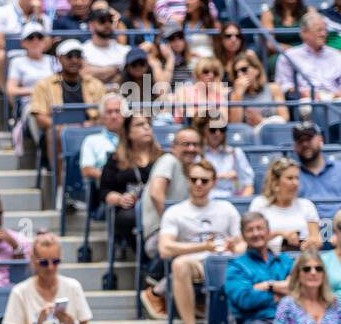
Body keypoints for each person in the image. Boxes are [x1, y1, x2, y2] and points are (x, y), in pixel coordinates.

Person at [148, 159, 244, 324]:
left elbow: (241, 243)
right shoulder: (175, 212)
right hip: (196, 264)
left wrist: (234, 249)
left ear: (214, 182)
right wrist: (203, 248)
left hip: (225, 262)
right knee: (179, 265)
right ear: (188, 181)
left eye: (204, 180)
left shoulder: (226, 209)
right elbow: (165, 248)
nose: (199, 184)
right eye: (194, 180)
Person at [3, 233, 92, 324]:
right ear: (33, 260)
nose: (50, 267)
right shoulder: (20, 291)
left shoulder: (73, 287)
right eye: (44, 263)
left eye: (55, 261)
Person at [27, 40, 106, 175]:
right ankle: (60, 185)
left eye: (78, 56)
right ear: (59, 59)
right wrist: (63, 127)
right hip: (61, 129)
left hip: (90, 127)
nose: (74, 60)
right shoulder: (44, 85)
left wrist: (91, 123)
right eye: (69, 56)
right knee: (55, 133)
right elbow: (40, 117)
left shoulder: (95, 84)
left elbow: (104, 113)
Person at [100, 111, 164, 252]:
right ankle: (144, 261)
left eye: (148, 124)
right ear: (128, 132)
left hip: (157, 206)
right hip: (132, 208)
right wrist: (119, 199)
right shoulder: (116, 159)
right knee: (127, 218)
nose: (147, 127)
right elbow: (104, 190)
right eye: (140, 125)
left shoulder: (163, 157)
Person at [140, 126, 202, 264]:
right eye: (186, 144)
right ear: (174, 147)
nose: (191, 149)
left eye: (195, 145)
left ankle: (158, 285)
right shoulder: (169, 160)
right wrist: (175, 224)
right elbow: (156, 194)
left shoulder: (194, 172)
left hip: (183, 234)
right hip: (159, 234)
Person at [0, 0, 52, 97]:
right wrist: (31, 45)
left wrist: (38, 19)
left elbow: (47, 45)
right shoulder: (3, 12)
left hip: (35, 57)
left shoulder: (44, 19)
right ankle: (9, 98)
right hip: (11, 58)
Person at [274, 13, 341, 103]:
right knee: (307, 104)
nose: (323, 34)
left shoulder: (336, 55)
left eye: (325, 30)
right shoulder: (289, 56)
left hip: (334, 97)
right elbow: (284, 85)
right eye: (319, 30)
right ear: (304, 32)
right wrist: (302, 93)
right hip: (306, 99)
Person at [250, 156, 322, 252]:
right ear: (275, 183)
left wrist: (310, 243)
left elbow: (316, 238)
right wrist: (282, 234)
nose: (295, 183)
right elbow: (252, 238)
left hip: (300, 260)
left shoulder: (307, 205)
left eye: (297, 178)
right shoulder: (259, 204)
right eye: (290, 178)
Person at [293, 120, 341, 200]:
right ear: (294, 146)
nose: (305, 144)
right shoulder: (291, 176)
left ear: (320, 140)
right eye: (300, 141)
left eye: (309, 139)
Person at [5, 23, 54, 131]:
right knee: (36, 113)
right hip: (30, 103)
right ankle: (40, 145)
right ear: (23, 42)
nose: (35, 41)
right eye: (31, 38)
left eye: (39, 37)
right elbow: (11, 90)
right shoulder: (17, 62)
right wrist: (37, 91)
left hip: (54, 101)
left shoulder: (53, 60)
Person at [192, 114, 253, 199]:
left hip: (231, 202)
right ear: (203, 130)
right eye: (213, 129)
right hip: (204, 202)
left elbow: (248, 186)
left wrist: (236, 182)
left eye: (222, 129)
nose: (218, 133)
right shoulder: (196, 154)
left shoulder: (235, 153)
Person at [228, 51, 289, 127]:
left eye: (244, 69)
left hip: (272, 132)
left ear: (256, 70)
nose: (239, 74)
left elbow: (285, 118)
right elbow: (235, 124)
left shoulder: (273, 88)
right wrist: (238, 95)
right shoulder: (235, 94)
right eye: (236, 72)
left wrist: (262, 121)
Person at [261, 0, 308, 68]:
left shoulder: (309, 12)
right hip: (280, 54)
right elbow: (270, 44)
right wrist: (296, 51)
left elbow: (314, 37)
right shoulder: (268, 15)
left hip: (306, 56)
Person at [80, 93, 127, 184]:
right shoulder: (91, 140)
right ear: (102, 117)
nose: (113, 116)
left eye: (117, 111)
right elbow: (86, 170)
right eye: (109, 112)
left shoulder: (133, 138)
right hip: (104, 188)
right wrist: (112, 178)